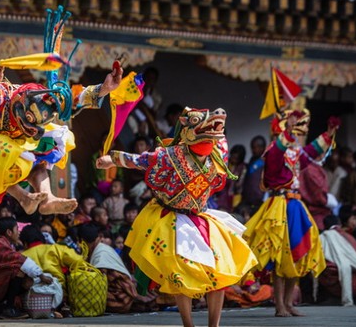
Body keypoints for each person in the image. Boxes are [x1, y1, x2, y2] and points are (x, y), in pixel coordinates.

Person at [0, 7, 124, 230]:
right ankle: (22, 196)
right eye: (26, 117)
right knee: (3, 150)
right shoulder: (2, 96)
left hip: (11, 149)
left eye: (33, 121)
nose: (28, 120)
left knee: (53, 140)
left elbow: (72, 100)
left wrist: (104, 89)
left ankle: (45, 197)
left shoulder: (42, 106)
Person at [97, 107, 257, 327]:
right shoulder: (171, 155)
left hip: (200, 217)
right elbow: (142, 159)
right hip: (172, 219)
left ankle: (214, 325)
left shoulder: (218, 152)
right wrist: (112, 159)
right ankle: (188, 324)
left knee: (219, 274)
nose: (211, 134)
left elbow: (220, 137)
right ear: (186, 132)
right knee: (179, 275)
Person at [243, 109, 338, 317]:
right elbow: (279, 150)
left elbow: (311, 152)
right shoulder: (273, 153)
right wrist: (287, 129)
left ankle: (288, 303)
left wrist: (328, 134)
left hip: (295, 206)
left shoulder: (294, 154)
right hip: (280, 206)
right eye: (290, 131)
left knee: (296, 253)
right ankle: (279, 306)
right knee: (279, 258)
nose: (295, 135)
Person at [0, 217, 51, 318]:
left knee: (27, 279)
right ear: (9, 232)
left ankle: (1, 307)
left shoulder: (1, 242)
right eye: (17, 229)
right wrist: (41, 276)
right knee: (18, 270)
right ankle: (9, 308)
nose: (19, 232)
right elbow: (20, 260)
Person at [20, 224, 84, 290]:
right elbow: (77, 260)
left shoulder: (21, 257)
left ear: (25, 243)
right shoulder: (56, 248)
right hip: (59, 292)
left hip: (32, 296)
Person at [214, 144, 247, 213]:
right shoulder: (225, 163)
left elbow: (239, 186)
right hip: (219, 195)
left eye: (236, 159)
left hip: (232, 197)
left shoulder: (242, 168)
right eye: (232, 157)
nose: (233, 160)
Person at [240, 135, 267, 212]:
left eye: (258, 147)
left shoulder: (266, 162)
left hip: (260, 202)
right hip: (248, 201)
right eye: (253, 147)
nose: (254, 150)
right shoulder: (251, 162)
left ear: (263, 147)